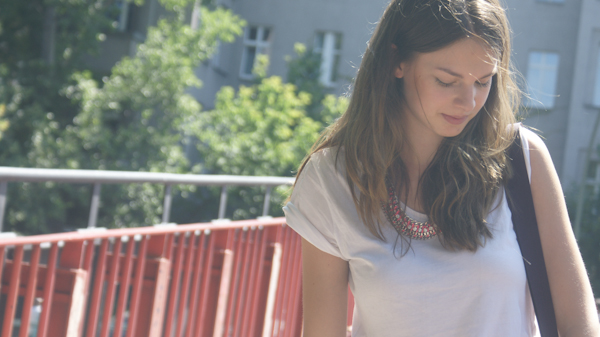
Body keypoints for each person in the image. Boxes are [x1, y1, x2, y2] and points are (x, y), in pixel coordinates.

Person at [282, 0, 600, 336]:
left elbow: (578, 324)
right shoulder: (333, 179)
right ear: (396, 61)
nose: (469, 102)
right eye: (447, 81)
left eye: (483, 81)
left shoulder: (522, 158)